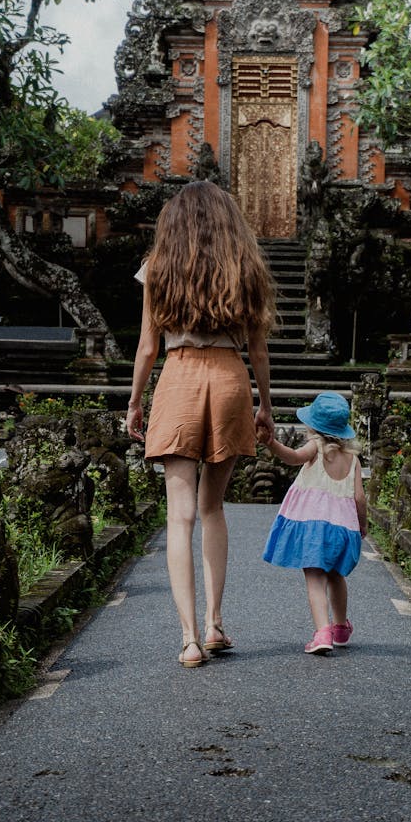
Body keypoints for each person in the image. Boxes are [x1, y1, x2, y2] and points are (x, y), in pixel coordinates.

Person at [126, 181, 275, 668]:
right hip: (231, 378)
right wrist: (265, 407)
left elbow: (148, 347)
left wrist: (133, 402)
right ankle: (215, 625)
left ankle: (188, 639)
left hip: (179, 378)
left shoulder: (159, 268)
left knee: (180, 514)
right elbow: (258, 350)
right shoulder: (245, 269)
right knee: (213, 508)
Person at [260, 392, 367, 654]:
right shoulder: (353, 460)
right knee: (336, 575)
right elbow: (360, 498)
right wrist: (362, 526)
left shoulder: (315, 448)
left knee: (315, 579)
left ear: (314, 427)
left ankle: (322, 633)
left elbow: (292, 457)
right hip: (342, 528)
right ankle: (340, 627)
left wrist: (271, 443)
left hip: (312, 527)